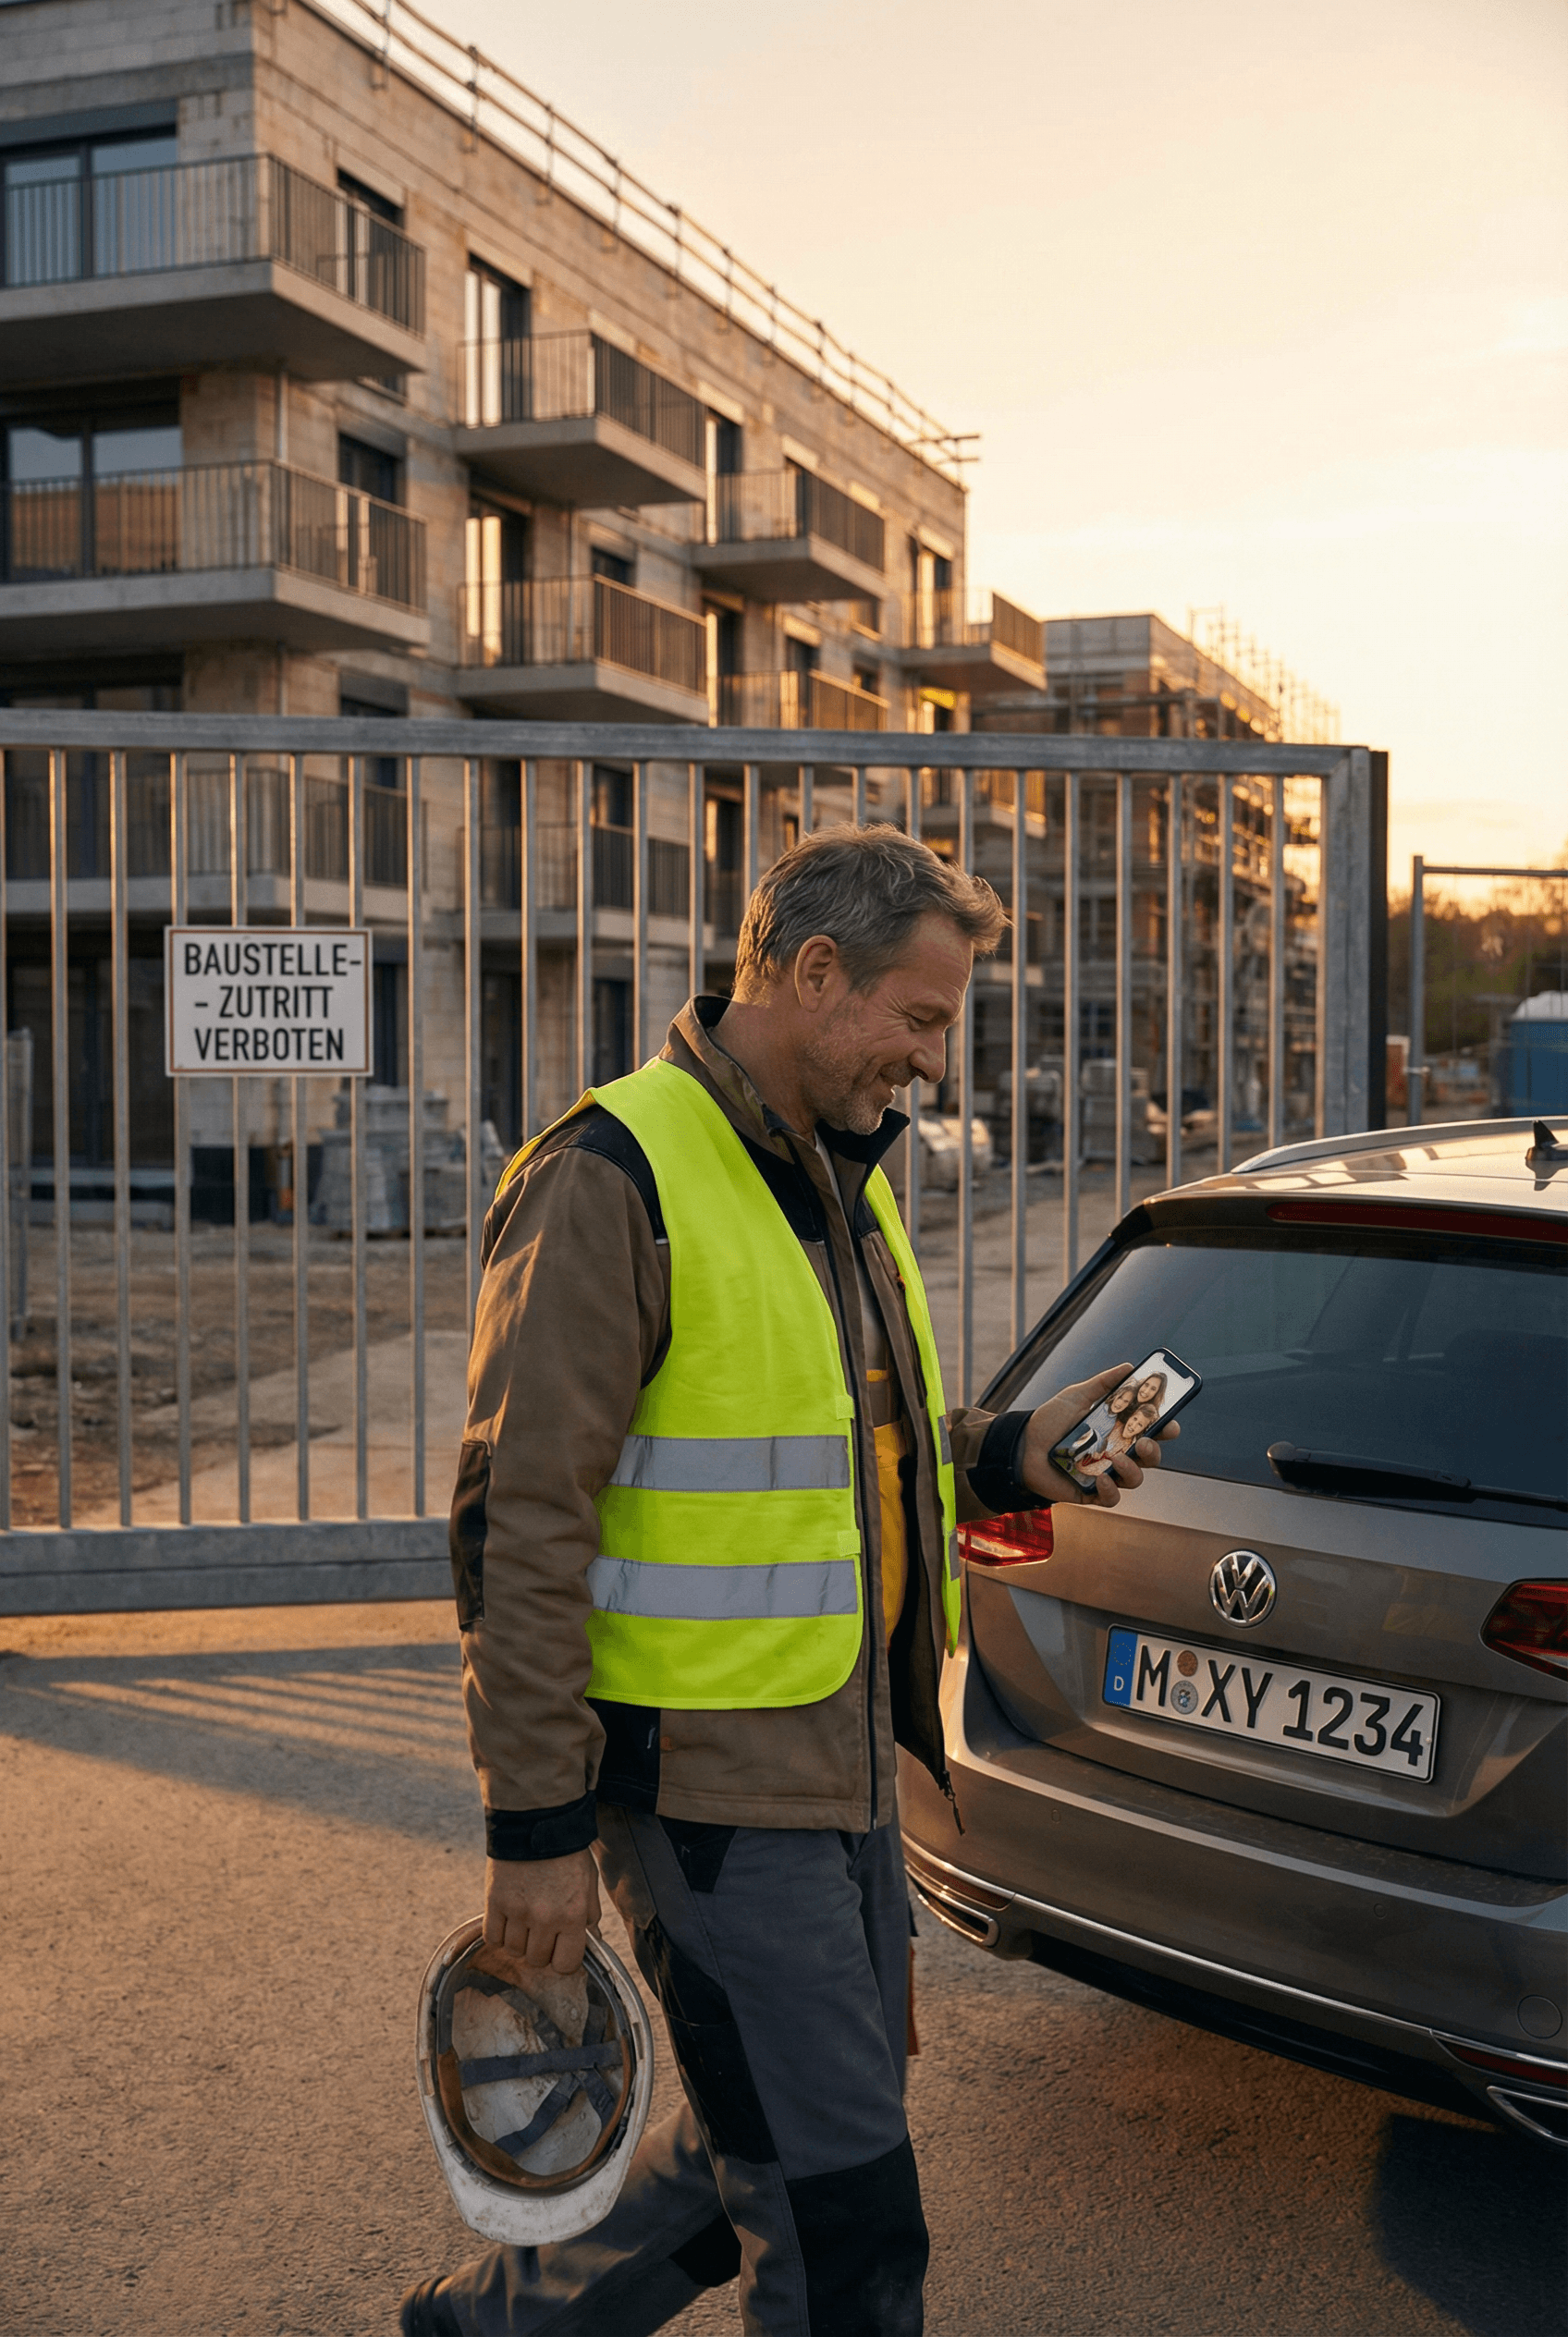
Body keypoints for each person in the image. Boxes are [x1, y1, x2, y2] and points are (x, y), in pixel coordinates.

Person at [402, 826, 1177, 2337]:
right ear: (815, 972)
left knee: (765, 2127)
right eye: (922, 1017)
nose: (933, 1064)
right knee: (846, 2229)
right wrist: (537, 1830)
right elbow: (521, 1524)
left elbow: (843, 1446)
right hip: (705, 1796)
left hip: (843, 1769)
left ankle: (494, 2325)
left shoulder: (834, 1172)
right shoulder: (610, 1174)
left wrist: (1021, 1451)